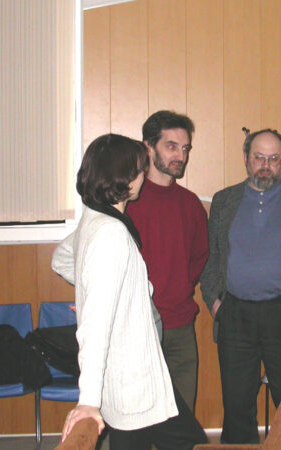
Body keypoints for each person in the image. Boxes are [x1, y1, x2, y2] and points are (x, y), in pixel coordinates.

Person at [53, 134, 206, 450]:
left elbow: (61, 259)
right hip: (133, 377)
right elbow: (95, 326)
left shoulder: (98, 219)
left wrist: (98, 291)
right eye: (139, 168)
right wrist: (88, 401)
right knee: (189, 442)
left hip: (131, 376)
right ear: (123, 175)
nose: (144, 175)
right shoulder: (110, 232)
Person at [200, 128, 281, 444]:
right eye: (259, 157)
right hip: (234, 313)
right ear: (246, 158)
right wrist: (216, 305)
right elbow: (211, 258)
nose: (266, 165)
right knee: (236, 404)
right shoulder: (224, 200)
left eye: (274, 159)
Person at [126, 110, 208, 412]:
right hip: (137, 328)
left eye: (185, 148)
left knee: (182, 418)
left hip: (180, 326)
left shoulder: (190, 204)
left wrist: (179, 287)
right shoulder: (126, 201)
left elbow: (199, 258)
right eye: (171, 146)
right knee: (135, 418)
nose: (180, 156)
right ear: (148, 147)